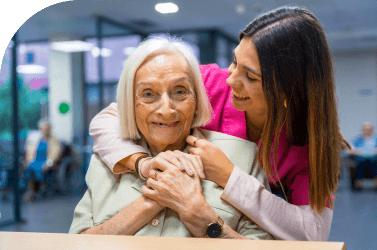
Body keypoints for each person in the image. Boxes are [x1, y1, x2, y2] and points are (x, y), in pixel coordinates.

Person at [89, 6, 349, 241]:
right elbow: (109, 118)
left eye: (250, 76)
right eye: (235, 61)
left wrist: (230, 176)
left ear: (286, 93)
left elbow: (312, 233)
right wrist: (142, 163)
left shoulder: (305, 144)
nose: (231, 80)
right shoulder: (209, 83)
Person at [69, 37, 273, 240]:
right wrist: (155, 197)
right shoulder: (109, 159)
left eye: (180, 92)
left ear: (197, 100)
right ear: (130, 103)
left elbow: (262, 246)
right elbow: (75, 242)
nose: (166, 110)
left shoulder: (242, 156)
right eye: (148, 94)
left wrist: (198, 213)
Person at [22, 118, 61, 201]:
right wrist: (28, 160)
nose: (44, 131)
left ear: (49, 129)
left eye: (46, 129)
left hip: (46, 162)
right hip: (35, 160)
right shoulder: (36, 139)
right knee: (28, 168)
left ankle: (38, 190)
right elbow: (30, 151)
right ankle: (31, 191)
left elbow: (55, 154)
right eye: (42, 129)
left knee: (40, 170)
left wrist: (49, 163)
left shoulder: (53, 139)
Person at [350, 122, 377, 189]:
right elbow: (350, 148)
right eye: (365, 129)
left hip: (374, 158)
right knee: (359, 163)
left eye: (369, 129)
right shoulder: (358, 139)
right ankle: (359, 184)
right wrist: (358, 152)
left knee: (375, 163)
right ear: (362, 130)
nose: (367, 131)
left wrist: (376, 151)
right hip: (361, 158)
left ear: (372, 130)